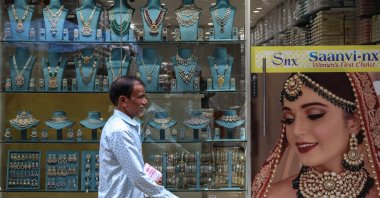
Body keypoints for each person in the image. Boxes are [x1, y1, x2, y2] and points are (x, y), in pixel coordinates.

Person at [252, 73, 380, 197]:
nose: (297, 130)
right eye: (289, 119)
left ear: (354, 123)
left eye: (314, 115)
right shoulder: (271, 195)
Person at [99, 76, 178, 198]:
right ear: (123, 101)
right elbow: (138, 177)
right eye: (140, 97)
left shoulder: (128, 126)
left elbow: (131, 173)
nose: (145, 102)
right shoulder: (120, 130)